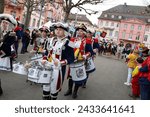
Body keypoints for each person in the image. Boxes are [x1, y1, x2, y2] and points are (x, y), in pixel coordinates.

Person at [42, 22, 74, 100]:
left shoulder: (70, 43)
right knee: (45, 86)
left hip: (58, 69)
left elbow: (72, 58)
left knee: (54, 88)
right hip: (48, 66)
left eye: (60, 30)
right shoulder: (50, 40)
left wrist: (61, 62)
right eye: (56, 29)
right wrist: (44, 59)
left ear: (65, 32)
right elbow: (47, 52)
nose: (58, 31)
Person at [64, 24, 91, 99]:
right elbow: (69, 49)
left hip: (81, 62)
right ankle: (69, 90)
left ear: (84, 33)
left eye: (81, 31)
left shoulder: (87, 41)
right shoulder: (73, 39)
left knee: (78, 77)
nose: (79, 32)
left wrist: (85, 56)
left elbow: (90, 52)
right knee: (71, 77)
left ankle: (75, 92)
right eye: (78, 30)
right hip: (72, 61)